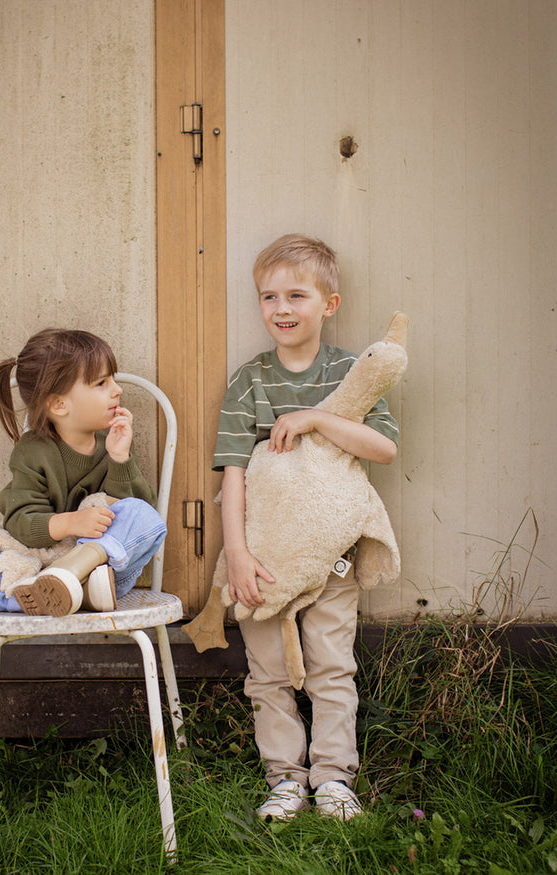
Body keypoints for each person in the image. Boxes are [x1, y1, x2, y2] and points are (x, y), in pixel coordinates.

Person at [212, 234, 399, 821]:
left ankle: (335, 778)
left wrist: (316, 417)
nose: (282, 308)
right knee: (267, 673)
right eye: (269, 297)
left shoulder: (350, 373)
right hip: (264, 556)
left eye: (297, 295)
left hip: (332, 556)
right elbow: (233, 474)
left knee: (331, 667)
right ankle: (285, 779)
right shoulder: (250, 381)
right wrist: (237, 554)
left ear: (329, 304)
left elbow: (384, 448)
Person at [0, 328, 167, 616]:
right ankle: (44, 594)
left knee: (145, 515)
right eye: (101, 383)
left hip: (101, 573)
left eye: (113, 379)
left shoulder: (112, 442)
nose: (117, 390)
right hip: (39, 566)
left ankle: (73, 581)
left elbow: (134, 512)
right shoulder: (33, 452)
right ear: (59, 404)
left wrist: (120, 458)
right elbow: (20, 523)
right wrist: (71, 522)